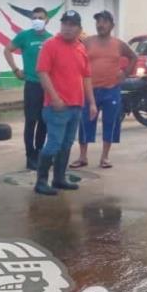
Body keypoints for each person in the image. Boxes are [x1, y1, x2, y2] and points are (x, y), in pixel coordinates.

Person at [35, 11, 97, 196]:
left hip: (76, 106)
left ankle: (59, 178)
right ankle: (41, 181)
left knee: (67, 144)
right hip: (57, 107)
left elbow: (86, 77)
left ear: (79, 29)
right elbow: (42, 72)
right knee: (53, 144)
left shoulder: (80, 48)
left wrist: (92, 103)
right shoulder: (50, 45)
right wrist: (54, 98)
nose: (68, 28)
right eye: (65, 24)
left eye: (72, 25)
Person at [71, 10, 137, 170]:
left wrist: (125, 73)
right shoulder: (87, 42)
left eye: (104, 22)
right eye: (98, 22)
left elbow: (133, 57)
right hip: (89, 90)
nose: (100, 25)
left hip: (111, 89)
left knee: (111, 123)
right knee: (85, 122)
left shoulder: (119, 44)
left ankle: (105, 157)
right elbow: (76, 58)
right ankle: (82, 156)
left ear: (112, 25)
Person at [5, 7, 53, 170]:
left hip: (47, 86)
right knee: (31, 121)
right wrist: (15, 70)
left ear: (47, 20)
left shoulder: (51, 39)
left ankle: (39, 152)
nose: (37, 20)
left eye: (40, 18)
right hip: (32, 85)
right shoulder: (24, 36)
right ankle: (30, 156)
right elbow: (7, 50)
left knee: (44, 122)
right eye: (34, 18)